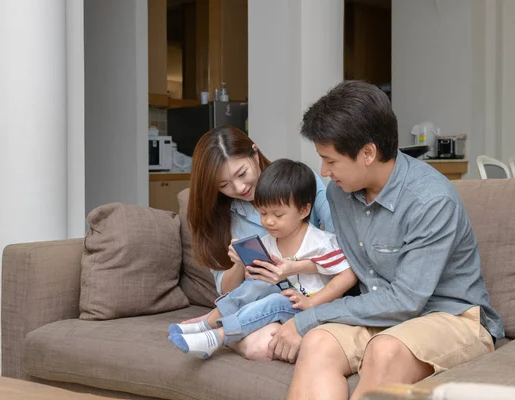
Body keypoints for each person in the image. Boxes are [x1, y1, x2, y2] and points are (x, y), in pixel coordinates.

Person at [266, 80, 504, 400]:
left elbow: (405, 301)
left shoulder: (430, 200)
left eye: (331, 160)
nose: (323, 171)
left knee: (385, 350)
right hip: (381, 318)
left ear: (367, 153)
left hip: (450, 317)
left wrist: (310, 316)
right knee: (318, 341)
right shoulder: (341, 193)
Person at [168, 159, 357, 359]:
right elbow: (252, 286)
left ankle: (218, 336)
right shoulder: (267, 242)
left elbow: (348, 274)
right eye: (263, 212)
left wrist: (313, 302)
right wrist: (245, 266)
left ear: (304, 210)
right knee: (255, 287)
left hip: (312, 309)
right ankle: (207, 323)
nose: (268, 221)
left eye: (278, 214)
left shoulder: (320, 242)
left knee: (276, 299)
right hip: (288, 303)